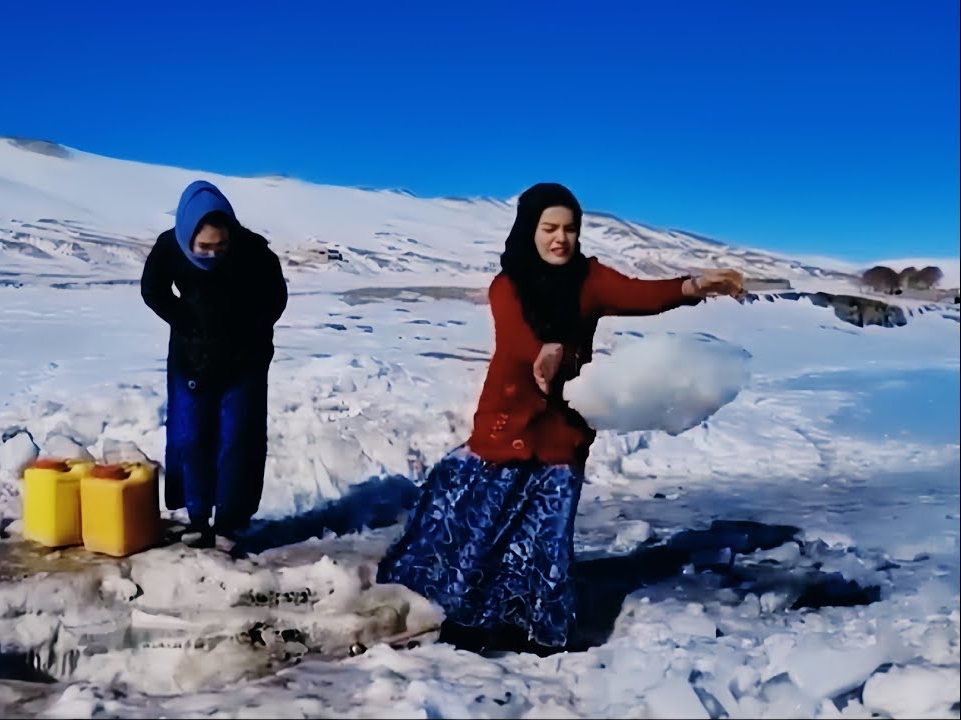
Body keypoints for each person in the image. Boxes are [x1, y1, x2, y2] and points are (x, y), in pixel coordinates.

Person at [376, 182, 744, 654]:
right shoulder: (506, 284)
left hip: (560, 432)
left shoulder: (589, 280)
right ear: (529, 229)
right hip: (506, 424)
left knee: (543, 540)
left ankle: (530, 629)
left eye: (570, 229)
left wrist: (693, 287)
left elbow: (639, 294)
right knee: (480, 530)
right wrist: (545, 353)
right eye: (549, 228)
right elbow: (514, 340)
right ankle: (461, 615)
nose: (560, 239)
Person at [141, 180, 288, 548]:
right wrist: (188, 320)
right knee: (192, 436)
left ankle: (229, 521)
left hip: (244, 361)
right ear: (188, 236)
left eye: (221, 246)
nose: (213, 254)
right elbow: (153, 290)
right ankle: (197, 517)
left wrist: (246, 328)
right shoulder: (169, 247)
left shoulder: (253, 251)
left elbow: (275, 298)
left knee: (237, 437)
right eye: (204, 248)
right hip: (192, 358)